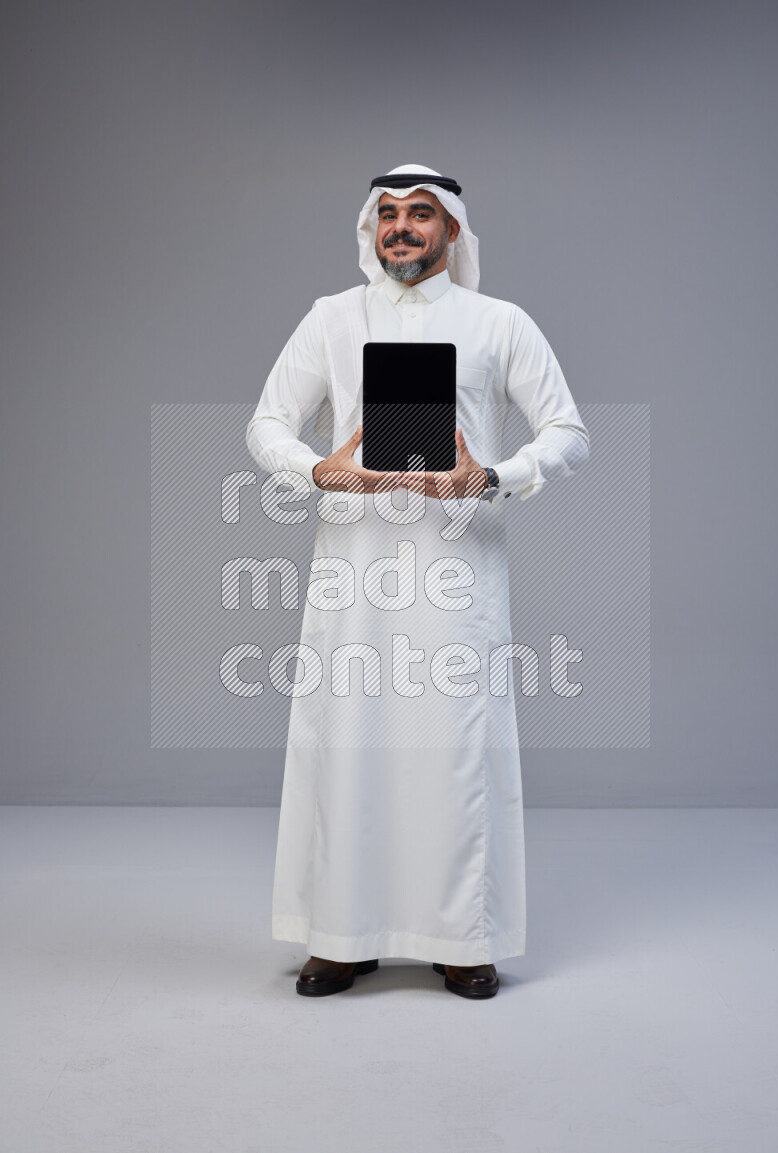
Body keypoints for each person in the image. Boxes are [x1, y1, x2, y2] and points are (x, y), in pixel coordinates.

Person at [245, 164, 589, 999]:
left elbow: (569, 433)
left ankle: (461, 937)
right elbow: (264, 425)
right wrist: (322, 471)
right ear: (372, 228)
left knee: (454, 751)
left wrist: (491, 476)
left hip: (456, 573)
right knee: (349, 745)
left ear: (453, 231)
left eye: (421, 214)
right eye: (388, 214)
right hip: (353, 572)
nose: (401, 227)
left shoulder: (498, 323)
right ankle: (341, 935)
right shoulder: (331, 320)